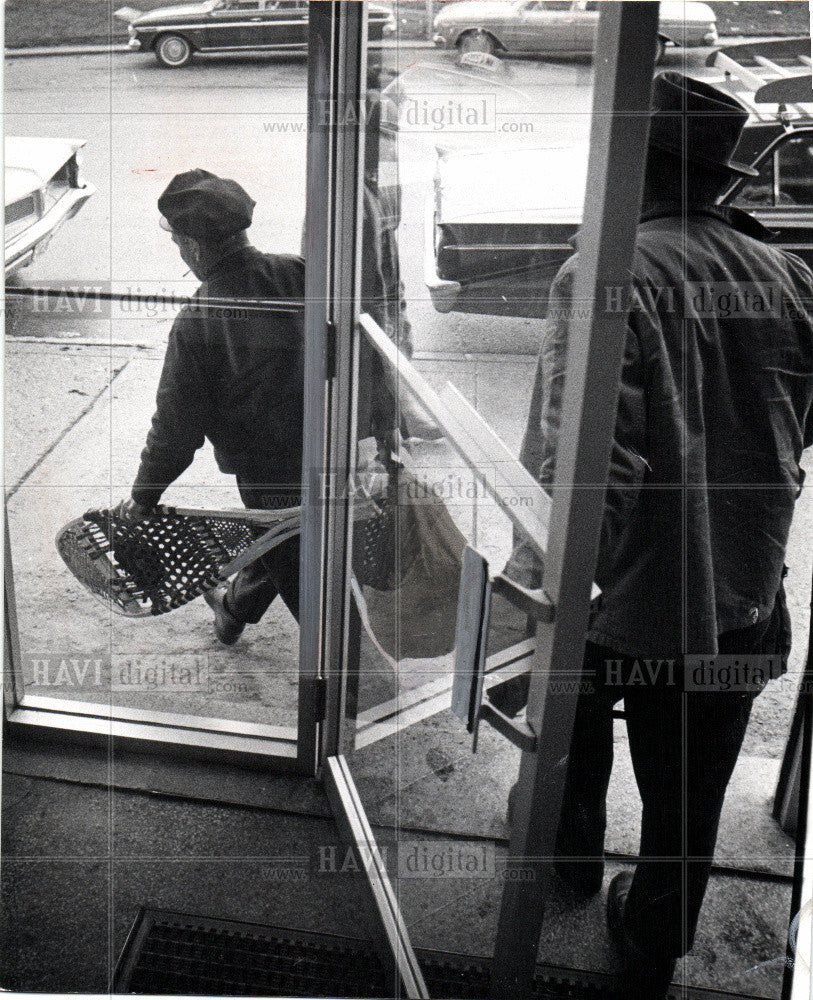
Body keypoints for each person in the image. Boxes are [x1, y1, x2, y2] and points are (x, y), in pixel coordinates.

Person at [505, 72, 813, 998]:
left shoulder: (601, 276)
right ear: (713, 180)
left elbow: (587, 474)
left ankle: (566, 857)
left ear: (630, 164)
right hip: (741, 597)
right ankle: (655, 936)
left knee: (572, 724)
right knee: (691, 794)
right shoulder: (792, 273)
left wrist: (539, 609)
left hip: (623, 601)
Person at [117, 168, 305, 644]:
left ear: (195, 247)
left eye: (180, 244)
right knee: (284, 543)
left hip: (268, 475)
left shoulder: (197, 320)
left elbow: (176, 429)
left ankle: (353, 684)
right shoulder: (300, 272)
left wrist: (143, 497)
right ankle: (232, 608)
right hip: (332, 443)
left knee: (308, 584)